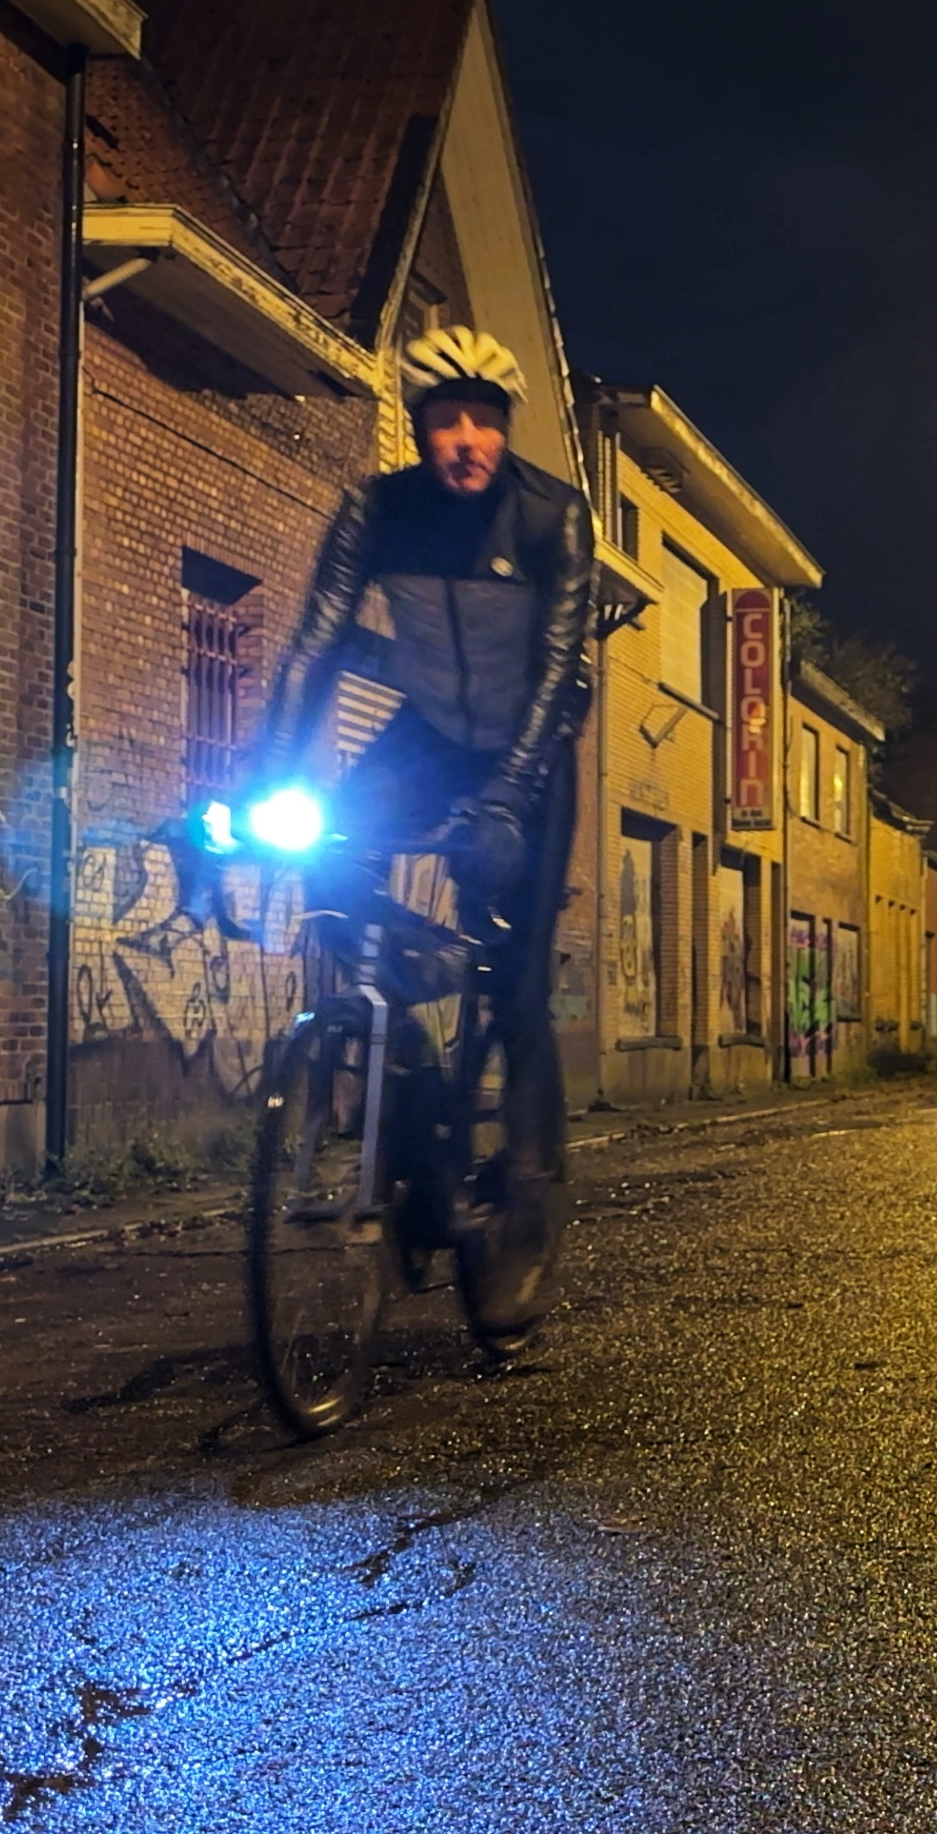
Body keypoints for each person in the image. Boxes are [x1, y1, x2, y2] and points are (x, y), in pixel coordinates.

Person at [257, 324, 595, 1340]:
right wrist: (265, 783)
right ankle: (402, 1050)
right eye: (446, 421)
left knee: (519, 988)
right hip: (428, 739)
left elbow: (559, 672)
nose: (466, 441)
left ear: (506, 430)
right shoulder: (378, 510)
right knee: (330, 864)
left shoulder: (551, 515)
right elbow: (313, 645)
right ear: (417, 430)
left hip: (528, 752)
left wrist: (509, 797)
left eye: (484, 422)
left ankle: (528, 1207)